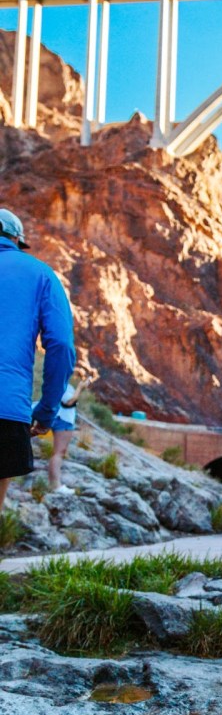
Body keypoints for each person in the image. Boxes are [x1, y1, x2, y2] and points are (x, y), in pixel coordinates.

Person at [0, 209, 75, 514]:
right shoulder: (41, 274)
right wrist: (46, 411)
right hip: (5, 406)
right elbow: (60, 345)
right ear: (17, 240)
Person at [36, 375, 90, 493]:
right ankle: (55, 486)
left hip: (59, 418)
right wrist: (80, 388)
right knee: (59, 453)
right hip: (63, 420)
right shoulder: (61, 383)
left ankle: (54, 484)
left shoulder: (57, 382)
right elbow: (69, 402)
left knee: (58, 453)